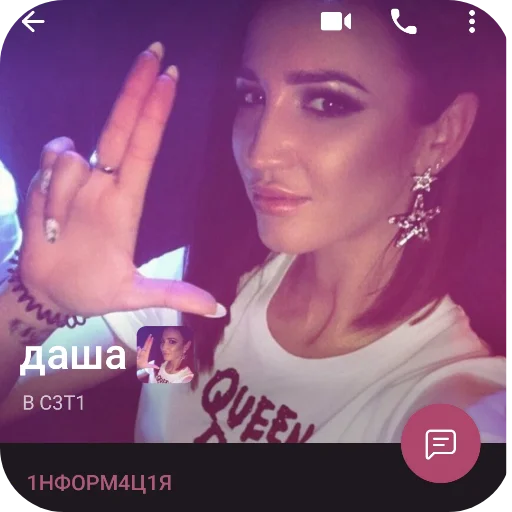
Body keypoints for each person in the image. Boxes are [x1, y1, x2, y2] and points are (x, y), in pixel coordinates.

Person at [0, 0, 507, 442]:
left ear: (440, 136)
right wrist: (38, 301)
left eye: (327, 102)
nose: (260, 152)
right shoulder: (199, 294)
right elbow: (14, 397)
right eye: (253, 97)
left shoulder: (447, 398)